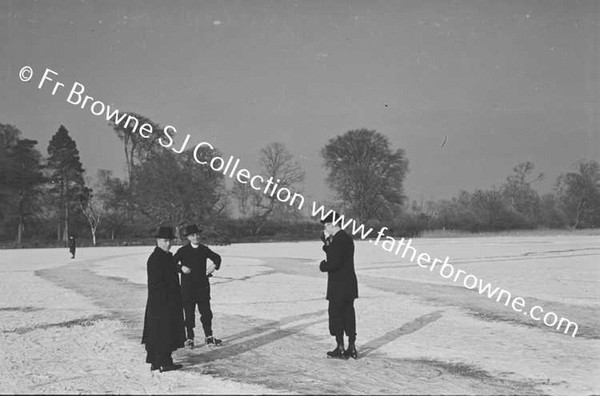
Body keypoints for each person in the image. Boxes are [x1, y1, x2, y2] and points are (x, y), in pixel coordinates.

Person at [141, 226, 186, 372]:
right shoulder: (156, 258)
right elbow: (156, 283)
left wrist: (180, 268)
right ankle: (164, 362)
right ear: (158, 241)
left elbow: (171, 267)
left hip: (163, 302)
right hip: (162, 302)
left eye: (170, 241)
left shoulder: (165, 257)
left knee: (159, 332)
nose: (168, 244)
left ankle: (156, 361)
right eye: (165, 241)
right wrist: (168, 298)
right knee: (164, 332)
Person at [174, 224, 223, 349]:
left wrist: (213, 267)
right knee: (189, 315)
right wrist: (181, 268)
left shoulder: (204, 249)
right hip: (187, 289)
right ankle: (190, 338)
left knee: (206, 313)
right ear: (188, 238)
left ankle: (209, 337)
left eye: (197, 234)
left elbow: (217, 258)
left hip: (202, 288)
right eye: (192, 235)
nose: (196, 237)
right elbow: (171, 264)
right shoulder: (183, 251)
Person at [319, 212, 359, 359]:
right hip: (349, 285)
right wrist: (327, 244)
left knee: (336, 315)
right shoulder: (347, 239)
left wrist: (323, 266)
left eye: (326, 226)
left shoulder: (338, 240)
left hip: (338, 286)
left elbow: (334, 263)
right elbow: (338, 256)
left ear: (332, 225)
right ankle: (352, 346)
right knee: (349, 314)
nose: (325, 229)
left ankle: (340, 347)